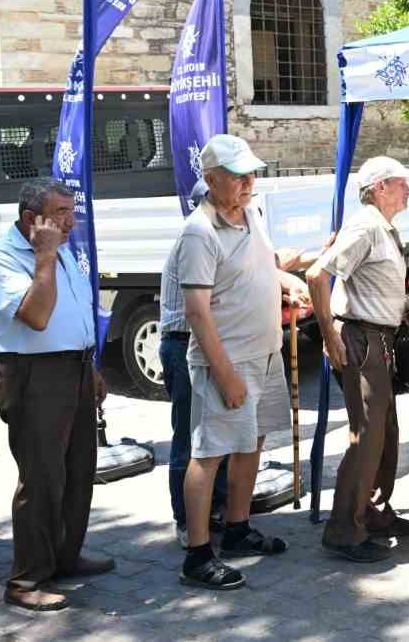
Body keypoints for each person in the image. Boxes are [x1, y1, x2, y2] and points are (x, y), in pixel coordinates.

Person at [0, 179, 115, 611]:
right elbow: (36, 317)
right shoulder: (5, 258)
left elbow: (71, 313)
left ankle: (65, 556)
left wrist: (90, 367)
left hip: (74, 368)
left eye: (71, 211)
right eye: (60, 213)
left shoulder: (58, 250)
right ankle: (26, 579)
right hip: (34, 374)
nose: (70, 221)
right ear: (30, 218)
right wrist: (45, 256)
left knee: (77, 470)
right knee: (41, 479)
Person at [175, 135, 301, 590]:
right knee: (209, 454)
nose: (248, 182)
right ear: (211, 180)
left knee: (252, 443)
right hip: (227, 360)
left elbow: (261, 266)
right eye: (237, 176)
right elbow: (196, 312)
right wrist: (225, 374)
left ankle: (238, 528)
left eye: (251, 174)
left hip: (264, 352)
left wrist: (284, 281)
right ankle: (197, 555)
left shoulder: (252, 214)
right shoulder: (199, 232)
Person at [313, 156, 409, 562]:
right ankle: (344, 530)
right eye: (402, 183)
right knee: (368, 436)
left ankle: (373, 513)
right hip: (363, 339)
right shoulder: (366, 226)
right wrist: (329, 334)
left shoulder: (378, 226)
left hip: (377, 339)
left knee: (384, 432)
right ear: (380, 187)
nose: (408, 190)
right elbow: (317, 275)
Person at [159, 180, 230, 547]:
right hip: (185, 344)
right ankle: (187, 520)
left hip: (208, 343)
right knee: (191, 439)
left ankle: (213, 510)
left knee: (218, 436)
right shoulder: (196, 238)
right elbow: (201, 308)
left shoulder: (216, 238)